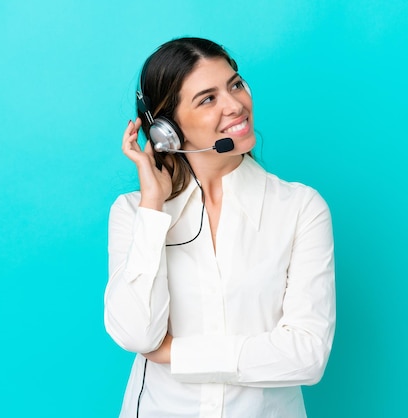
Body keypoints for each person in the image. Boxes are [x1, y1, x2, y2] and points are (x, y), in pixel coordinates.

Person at [104, 37, 335, 418]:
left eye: (236, 84)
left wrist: (175, 353)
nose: (235, 105)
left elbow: (307, 355)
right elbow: (136, 334)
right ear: (167, 130)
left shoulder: (300, 208)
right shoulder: (134, 213)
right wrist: (153, 208)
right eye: (207, 99)